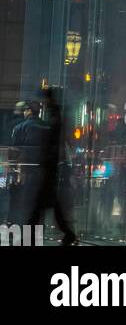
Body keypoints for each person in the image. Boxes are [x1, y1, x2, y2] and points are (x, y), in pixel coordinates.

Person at [16, 91, 78, 246]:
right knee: (49, 208)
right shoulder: (55, 119)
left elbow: (51, 144)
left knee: (39, 208)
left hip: (48, 170)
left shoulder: (53, 120)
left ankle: (28, 238)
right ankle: (67, 234)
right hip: (49, 170)